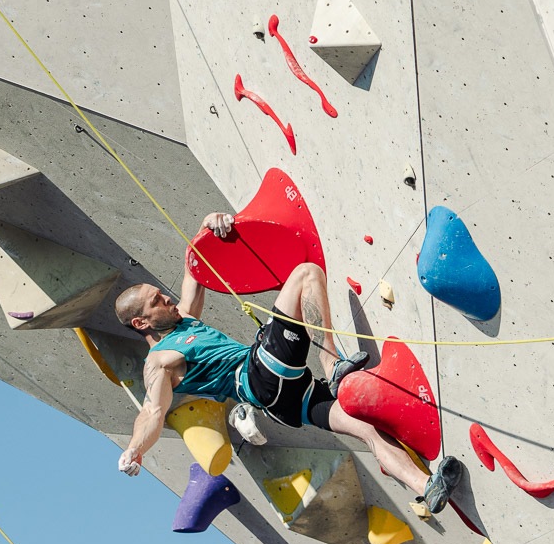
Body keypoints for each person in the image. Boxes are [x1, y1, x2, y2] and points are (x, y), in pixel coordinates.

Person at [114, 211, 462, 511]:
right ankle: (332, 366)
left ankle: (425, 488)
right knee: (306, 273)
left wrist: (208, 225)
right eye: (157, 300)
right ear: (141, 323)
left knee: (367, 431)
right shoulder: (160, 361)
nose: (168, 298)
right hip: (258, 376)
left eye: (161, 293)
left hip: (288, 400)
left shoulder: (183, 317)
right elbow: (152, 412)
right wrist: (135, 448)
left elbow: (196, 263)